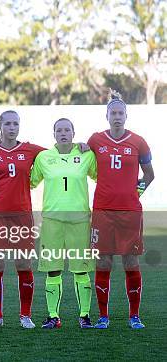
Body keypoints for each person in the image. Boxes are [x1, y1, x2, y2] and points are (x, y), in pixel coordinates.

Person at [88, 91, 154, 329]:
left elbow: (149, 175)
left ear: (126, 116)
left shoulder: (138, 141)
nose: (117, 116)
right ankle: (103, 317)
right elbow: (79, 158)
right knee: (103, 261)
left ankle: (134, 316)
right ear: (106, 116)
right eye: (113, 113)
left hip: (129, 212)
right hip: (103, 211)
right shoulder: (96, 140)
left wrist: (135, 193)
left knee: (130, 261)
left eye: (120, 113)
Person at [0, 110, 45, 329]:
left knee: (23, 264)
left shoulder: (31, 150)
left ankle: (25, 316)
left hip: (22, 216)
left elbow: (57, 157)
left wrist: (79, 145)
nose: (12, 127)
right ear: (0, 126)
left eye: (15, 123)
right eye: (7, 124)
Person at [30, 118, 97, 329]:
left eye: (67, 129)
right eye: (59, 130)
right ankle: (53, 316)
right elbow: (30, 182)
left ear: (74, 132)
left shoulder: (86, 154)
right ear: (54, 134)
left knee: (81, 270)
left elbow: (102, 178)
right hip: (52, 221)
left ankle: (84, 316)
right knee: (53, 270)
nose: (63, 133)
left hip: (80, 221)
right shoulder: (44, 157)